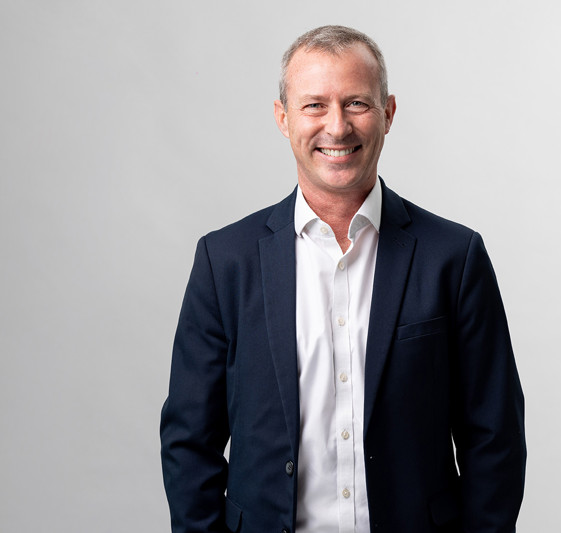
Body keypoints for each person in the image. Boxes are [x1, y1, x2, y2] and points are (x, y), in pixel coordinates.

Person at [161, 25, 526, 533]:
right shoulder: (224, 262)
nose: (337, 126)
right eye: (314, 105)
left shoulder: (454, 257)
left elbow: (495, 437)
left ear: (388, 113)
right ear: (283, 118)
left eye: (356, 103)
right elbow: (189, 442)